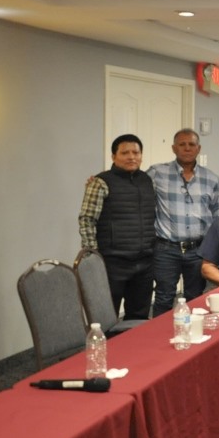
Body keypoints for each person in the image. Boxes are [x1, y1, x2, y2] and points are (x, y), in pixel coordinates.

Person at [78, 133, 156, 320]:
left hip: (144, 263)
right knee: (105, 318)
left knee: (139, 318)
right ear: (114, 156)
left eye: (136, 153)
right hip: (112, 263)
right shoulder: (100, 182)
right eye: (125, 153)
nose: (131, 157)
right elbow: (87, 219)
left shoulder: (147, 180)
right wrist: (93, 257)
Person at [146, 128, 219, 315]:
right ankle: (160, 332)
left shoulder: (211, 179)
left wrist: (216, 247)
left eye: (192, 144)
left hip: (198, 250)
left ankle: (193, 332)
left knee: (195, 298)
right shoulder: (157, 173)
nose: (187, 148)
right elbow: (133, 186)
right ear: (174, 148)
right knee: (164, 297)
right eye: (182, 144)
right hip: (166, 248)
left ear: (198, 148)